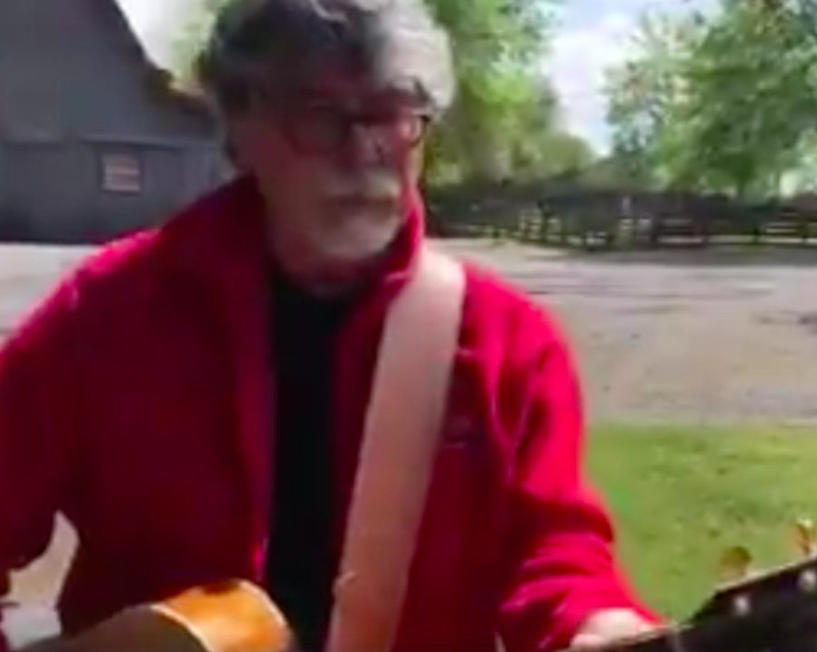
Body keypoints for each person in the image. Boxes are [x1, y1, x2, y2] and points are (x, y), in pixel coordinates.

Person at [0, 0, 660, 650]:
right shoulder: (107, 314)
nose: (365, 149)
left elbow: (554, 554)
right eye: (321, 115)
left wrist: (596, 625)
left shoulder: (510, 344)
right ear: (238, 124)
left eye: (394, 114)